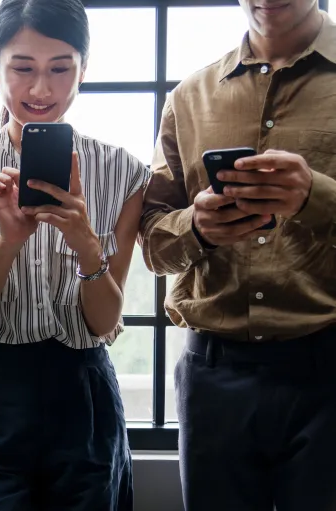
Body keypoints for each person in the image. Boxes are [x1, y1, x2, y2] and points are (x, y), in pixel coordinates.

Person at [0, 0, 148, 509]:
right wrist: (9, 242)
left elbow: (104, 322)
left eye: (60, 69)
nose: (41, 90)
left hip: (83, 386)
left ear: (84, 70)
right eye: (22, 68)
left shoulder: (125, 172)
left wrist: (86, 246)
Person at [139, 0, 336, 509]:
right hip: (213, 377)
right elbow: (153, 242)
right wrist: (196, 226)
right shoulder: (188, 97)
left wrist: (315, 197)